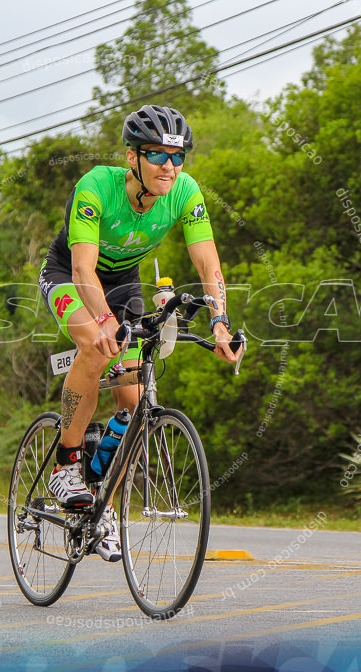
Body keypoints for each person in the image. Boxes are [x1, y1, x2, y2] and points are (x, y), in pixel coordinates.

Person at [37, 105, 237, 561]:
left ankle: (103, 501)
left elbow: (208, 262)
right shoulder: (95, 187)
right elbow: (84, 266)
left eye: (178, 156)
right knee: (94, 346)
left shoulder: (185, 192)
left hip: (125, 282)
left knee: (133, 403)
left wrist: (220, 322)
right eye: (158, 155)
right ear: (133, 158)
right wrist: (105, 323)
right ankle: (65, 466)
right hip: (70, 274)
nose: (170, 166)